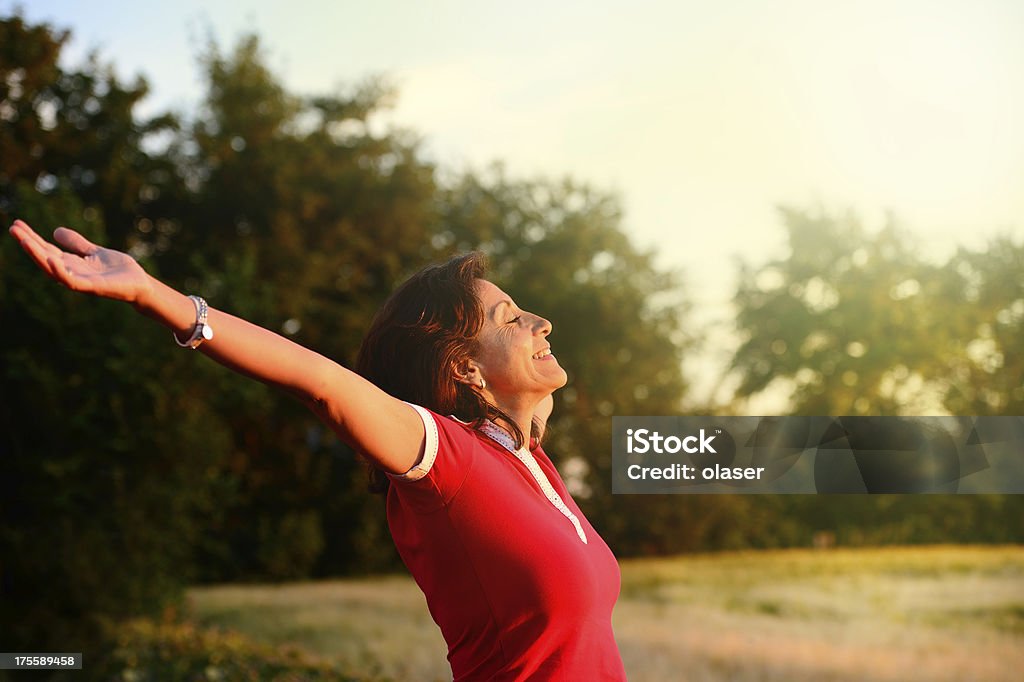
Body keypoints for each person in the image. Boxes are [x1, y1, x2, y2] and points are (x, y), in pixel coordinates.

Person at [8, 219, 628, 681]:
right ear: (464, 366)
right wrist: (156, 296)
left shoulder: (531, 463)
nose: (539, 322)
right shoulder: (447, 459)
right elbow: (323, 384)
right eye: (509, 317)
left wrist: (528, 411)